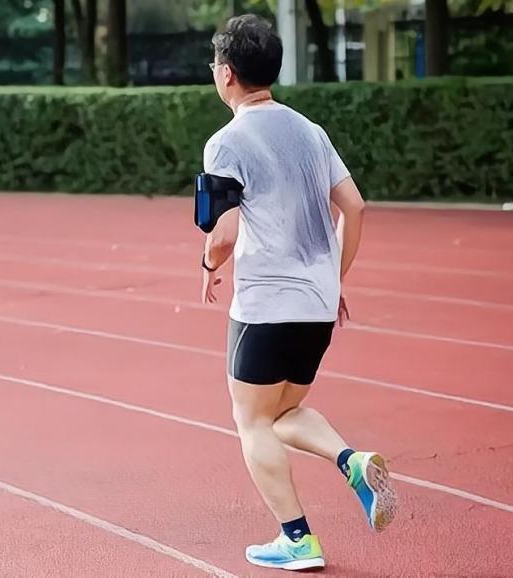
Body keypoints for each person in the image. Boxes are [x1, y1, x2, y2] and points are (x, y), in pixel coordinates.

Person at [199, 14, 397, 572]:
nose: (214, 73)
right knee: (285, 409)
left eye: (215, 64)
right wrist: (335, 277)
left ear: (228, 74)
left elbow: (224, 234)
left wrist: (207, 260)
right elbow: (354, 206)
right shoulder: (311, 131)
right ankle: (352, 461)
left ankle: (298, 539)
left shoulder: (226, 142)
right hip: (315, 305)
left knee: (251, 420)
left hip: (265, 305)